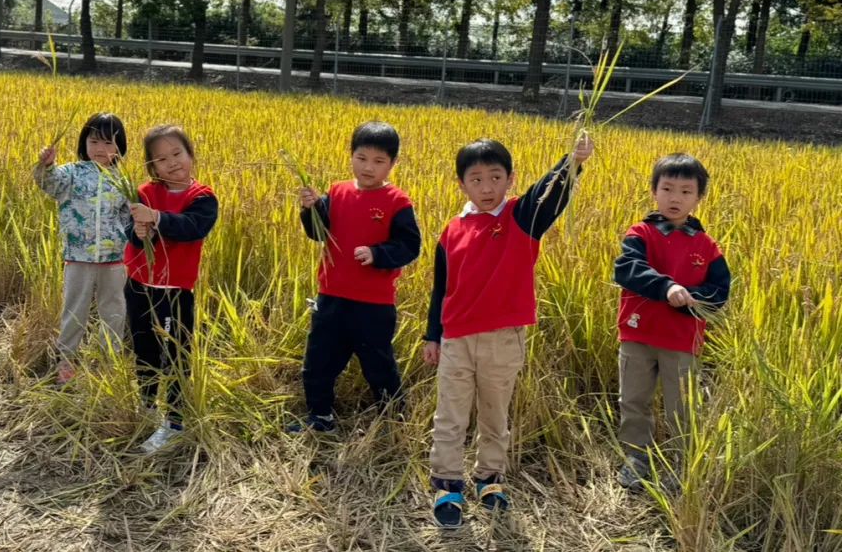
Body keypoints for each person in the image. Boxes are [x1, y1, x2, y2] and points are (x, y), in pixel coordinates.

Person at [424, 136, 593, 527]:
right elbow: (441, 288)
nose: (487, 188)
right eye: (477, 179)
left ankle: (489, 478)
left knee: (495, 414)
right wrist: (432, 336)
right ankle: (447, 484)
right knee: (450, 415)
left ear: (510, 179)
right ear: (462, 184)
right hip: (457, 339)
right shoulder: (452, 231)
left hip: (503, 339)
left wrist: (571, 163)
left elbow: (547, 196)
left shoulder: (520, 218)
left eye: (496, 178)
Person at [292, 121, 422, 433]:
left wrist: (377, 254)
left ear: (392, 164)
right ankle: (320, 417)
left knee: (379, 365)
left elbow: (410, 246)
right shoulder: (336, 192)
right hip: (332, 296)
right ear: (351, 156)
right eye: (362, 158)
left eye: (379, 162)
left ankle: (394, 419)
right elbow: (317, 233)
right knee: (318, 361)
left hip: (374, 305)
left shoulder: (397, 202)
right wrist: (310, 209)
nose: (368, 167)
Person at [613, 153, 730, 491]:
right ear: (654, 191)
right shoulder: (640, 233)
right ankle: (637, 459)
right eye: (667, 188)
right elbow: (627, 269)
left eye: (685, 191)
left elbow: (720, 292)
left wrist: (688, 297)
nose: (675, 198)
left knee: (681, 406)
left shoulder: (707, 247)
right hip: (637, 333)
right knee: (633, 400)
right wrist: (667, 287)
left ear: (698, 198)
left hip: (681, 341)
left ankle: (679, 466)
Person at [125, 125, 218, 453]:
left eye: (177, 154)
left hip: (175, 290)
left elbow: (192, 229)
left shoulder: (203, 198)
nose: (172, 163)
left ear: (191, 155)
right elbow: (131, 234)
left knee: (176, 355)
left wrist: (157, 219)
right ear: (152, 166)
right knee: (144, 347)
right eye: (161, 159)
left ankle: (176, 422)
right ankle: (148, 405)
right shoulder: (144, 192)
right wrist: (139, 231)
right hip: (138, 284)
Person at [34, 113, 132, 385]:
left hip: (114, 259)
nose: (101, 149)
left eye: (109, 143)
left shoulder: (123, 180)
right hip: (78, 257)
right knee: (74, 310)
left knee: (114, 310)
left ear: (120, 147)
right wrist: (46, 164)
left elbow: (129, 217)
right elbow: (47, 182)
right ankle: (66, 361)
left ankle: (105, 362)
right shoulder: (71, 174)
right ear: (84, 143)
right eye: (94, 142)